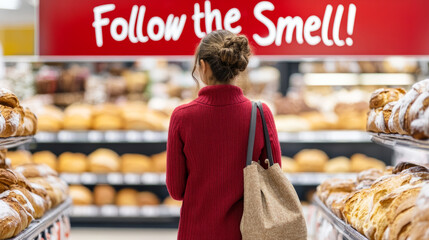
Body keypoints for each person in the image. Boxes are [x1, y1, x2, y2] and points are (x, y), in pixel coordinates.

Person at [166, 30, 282, 240]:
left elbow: (176, 190)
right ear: (238, 67)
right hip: (247, 232)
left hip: (196, 233)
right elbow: (274, 178)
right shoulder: (260, 113)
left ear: (203, 66)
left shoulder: (182, 116)